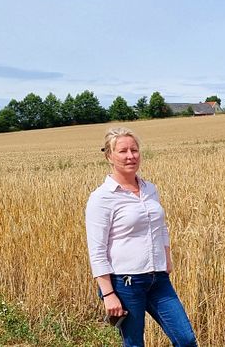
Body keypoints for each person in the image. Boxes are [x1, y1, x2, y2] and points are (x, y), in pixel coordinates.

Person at [86, 127, 197, 347]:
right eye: (123, 151)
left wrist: (166, 258)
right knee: (134, 343)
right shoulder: (102, 198)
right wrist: (108, 293)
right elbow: (97, 250)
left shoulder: (149, 189)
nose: (130, 156)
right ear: (109, 156)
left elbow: (161, 226)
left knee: (185, 340)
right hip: (126, 281)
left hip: (158, 279)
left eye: (134, 150)